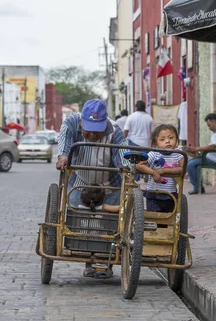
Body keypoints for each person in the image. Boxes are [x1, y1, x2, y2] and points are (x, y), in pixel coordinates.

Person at [56, 98, 130, 279]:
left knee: (107, 225)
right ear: (82, 122)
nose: (90, 136)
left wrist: (126, 170)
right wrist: (63, 157)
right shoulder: (72, 123)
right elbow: (64, 143)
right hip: (79, 182)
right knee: (82, 223)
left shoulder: (115, 131)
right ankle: (88, 261)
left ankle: (107, 262)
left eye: (96, 132)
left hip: (109, 185)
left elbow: (123, 156)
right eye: (87, 131)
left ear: (104, 125)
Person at [135, 125, 184, 212]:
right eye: (162, 139)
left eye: (171, 138)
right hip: (153, 194)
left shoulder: (178, 154)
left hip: (170, 194)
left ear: (176, 139)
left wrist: (164, 170)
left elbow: (182, 169)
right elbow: (138, 165)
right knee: (154, 219)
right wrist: (154, 173)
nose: (167, 141)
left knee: (169, 221)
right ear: (156, 143)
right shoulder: (154, 154)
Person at [185, 113, 216, 194]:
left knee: (191, 164)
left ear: (214, 122)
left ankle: (197, 187)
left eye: (209, 125)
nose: (209, 128)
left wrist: (196, 149)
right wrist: (197, 152)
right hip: (209, 156)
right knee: (190, 161)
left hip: (214, 159)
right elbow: (212, 147)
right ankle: (199, 186)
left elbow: (212, 147)